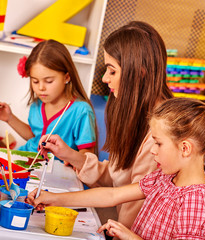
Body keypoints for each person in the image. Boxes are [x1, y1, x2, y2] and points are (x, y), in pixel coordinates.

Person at [27, 97, 205, 240]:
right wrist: (53, 198)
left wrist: (131, 237)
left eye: (158, 143)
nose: (153, 151)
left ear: (185, 148)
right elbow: (111, 195)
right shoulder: (164, 179)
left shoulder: (197, 200)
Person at [36, 21, 173, 229]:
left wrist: (57, 199)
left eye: (112, 71)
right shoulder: (135, 113)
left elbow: (128, 202)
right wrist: (70, 155)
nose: (104, 78)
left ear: (140, 72)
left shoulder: (162, 131)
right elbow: (118, 177)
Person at [0, 39, 97, 154]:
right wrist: (9, 118)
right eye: (35, 81)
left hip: (55, 168)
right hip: (28, 158)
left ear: (66, 77)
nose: (41, 88)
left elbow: (87, 154)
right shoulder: (37, 105)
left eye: (48, 81)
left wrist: (68, 158)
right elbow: (35, 137)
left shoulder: (81, 111)